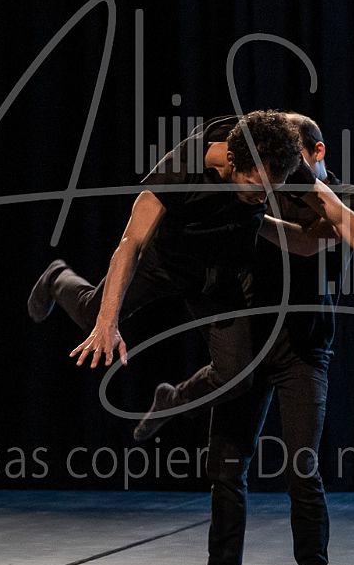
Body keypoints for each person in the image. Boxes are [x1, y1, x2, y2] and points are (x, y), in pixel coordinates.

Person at [168, 114, 354, 565]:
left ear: (316, 154)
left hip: (303, 350)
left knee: (302, 468)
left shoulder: (341, 200)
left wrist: (257, 215)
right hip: (249, 343)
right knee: (225, 463)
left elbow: (311, 243)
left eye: (291, 159)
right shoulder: (259, 189)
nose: (281, 169)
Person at [26, 110, 304, 416]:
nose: (264, 199)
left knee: (236, 376)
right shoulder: (181, 167)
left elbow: (326, 202)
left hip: (216, 269)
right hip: (164, 262)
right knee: (92, 316)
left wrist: (339, 229)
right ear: (231, 160)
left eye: (272, 191)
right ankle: (56, 277)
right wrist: (108, 321)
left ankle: (171, 400)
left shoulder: (272, 154)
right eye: (256, 187)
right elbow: (131, 243)